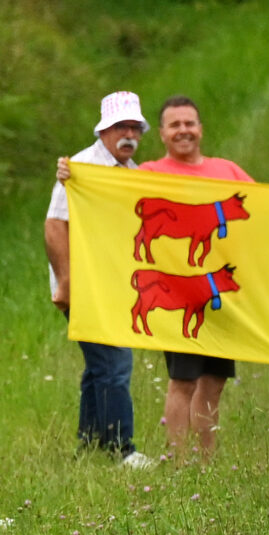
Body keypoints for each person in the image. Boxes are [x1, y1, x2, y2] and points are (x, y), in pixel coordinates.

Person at [138, 98, 256, 461]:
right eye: (174, 125)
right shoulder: (150, 172)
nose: (183, 130)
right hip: (178, 295)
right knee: (184, 380)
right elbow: (108, 197)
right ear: (162, 135)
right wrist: (71, 178)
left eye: (189, 123)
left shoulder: (228, 172)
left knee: (214, 382)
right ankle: (177, 463)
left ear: (201, 129)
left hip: (218, 296)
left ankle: (205, 464)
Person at [46, 91, 150, 464]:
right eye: (121, 126)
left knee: (99, 365)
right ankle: (121, 450)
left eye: (135, 127)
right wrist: (66, 282)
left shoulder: (132, 173)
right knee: (115, 363)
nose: (129, 134)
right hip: (82, 285)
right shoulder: (81, 168)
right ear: (104, 130)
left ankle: (89, 445)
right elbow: (56, 225)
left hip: (111, 284)